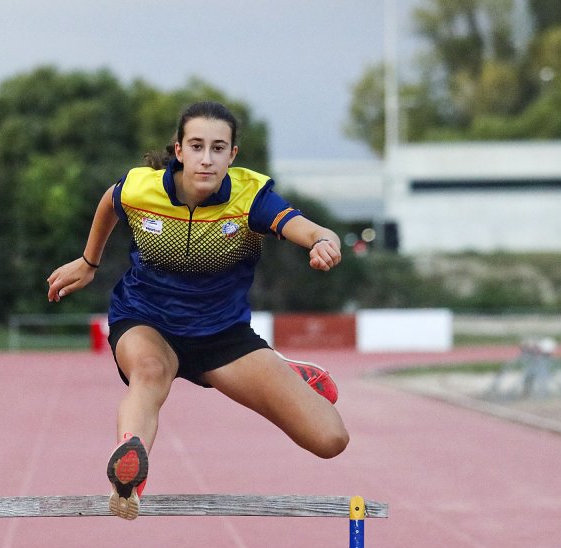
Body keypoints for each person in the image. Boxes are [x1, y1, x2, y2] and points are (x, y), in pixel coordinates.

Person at [47, 101, 350, 521]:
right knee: (149, 373)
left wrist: (321, 240)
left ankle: (288, 372)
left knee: (330, 438)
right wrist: (88, 261)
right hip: (146, 320)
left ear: (232, 155)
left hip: (221, 337)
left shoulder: (250, 197)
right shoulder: (141, 188)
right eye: (196, 146)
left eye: (218, 148)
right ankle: (129, 480)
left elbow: (305, 226)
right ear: (179, 150)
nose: (206, 159)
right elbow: (109, 203)